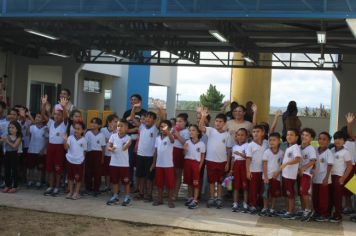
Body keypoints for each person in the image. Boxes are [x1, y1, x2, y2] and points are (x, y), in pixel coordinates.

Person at [198, 107, 233, 209]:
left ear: (225, 123)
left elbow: (229, 151)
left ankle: (219, 198)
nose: (218, 123)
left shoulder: (227, 135)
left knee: (221, 181)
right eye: (216, 121)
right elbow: (200, 127)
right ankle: (212, 198)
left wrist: (227, 163)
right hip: (210, 161)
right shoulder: (211, 130)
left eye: (220, 121)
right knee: (211, 181)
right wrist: (203, 116)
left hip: (222, 162)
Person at [135, 104, 164, 202]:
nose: (148, 119)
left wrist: (159, 108)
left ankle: (149, 194)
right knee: (141, 176)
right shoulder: (141, 127)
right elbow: (131, 117)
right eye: (147, 117)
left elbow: (162, 117)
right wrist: (134, 109)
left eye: (151, 117)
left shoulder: (155, 128)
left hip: (150, 157)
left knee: (149, 177)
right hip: (140, 155)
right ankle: (141, 193)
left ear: (154, 121)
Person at [42, 95, 68, 197]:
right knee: (50, 168)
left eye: (59, 115)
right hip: (51, 147)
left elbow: (66, 116)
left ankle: (57, 187)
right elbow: (43, 114)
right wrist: (43, 104)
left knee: (58, 168)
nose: (56, 116)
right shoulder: (51, 122)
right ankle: (51, 186)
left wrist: (64, 106)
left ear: (62, 116)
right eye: (55, 114)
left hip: (59, 148)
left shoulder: (64, 124)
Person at [123, 94, 147, 187]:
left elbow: (145, 127)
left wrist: (135, 129)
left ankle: (140, 185)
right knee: (129, 161)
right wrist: (130, 130)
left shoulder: (145, 113)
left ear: (140, 101)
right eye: (132, 99)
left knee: (140, 162)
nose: (133, 101)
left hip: (141, 140)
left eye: (135, 99)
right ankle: (129, 181)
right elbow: (123, 125)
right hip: (129, 139)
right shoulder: (127, 112)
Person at [151, 120, 176, 208]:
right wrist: (154, 163)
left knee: (170, 184)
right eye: (161, 126)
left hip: (168, 165)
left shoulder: (170, 136)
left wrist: (168, 132)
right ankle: (160, 199)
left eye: (165, 126)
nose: (163, 128)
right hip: (159, 164)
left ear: (169, 128)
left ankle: (170, 201)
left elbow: (172, 140)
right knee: (159, 183)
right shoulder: (157, 138)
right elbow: (156, 151)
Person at [106, 119, 132, 206]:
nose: (119, 128)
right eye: (118, 126)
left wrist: (126, 143)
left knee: (126, 181)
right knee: (115, 181)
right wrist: (111, 149)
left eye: (121, 126)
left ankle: (127, 197)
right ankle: (115, 196)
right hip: (114, 163)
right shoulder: (113, 136)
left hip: (124, 164)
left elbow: (124, 148)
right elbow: (109, 147)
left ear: (126, 128)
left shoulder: (128, 138)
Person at [330, 131, 353, 223]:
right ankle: (330, 213)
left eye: (340, 139)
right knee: (331, 196)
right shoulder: (331, 150)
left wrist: (343, 178)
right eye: (336, 139)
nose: (337, 141)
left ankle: (338, 215)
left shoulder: (345, 152)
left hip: (339, 177)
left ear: (344, 141)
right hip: (330, 176)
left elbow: (350, 166)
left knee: (338, 197)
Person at [246, 125, 268, 214]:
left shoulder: (266, 143)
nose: (255, 133)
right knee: (253, 189)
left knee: (262, 189)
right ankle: (253, 205)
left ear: (263, 133)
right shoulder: (250, 145)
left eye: (258, 131)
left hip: (264, 171)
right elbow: (248, 159)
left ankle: (261, 205)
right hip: (253, 171)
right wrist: (248, 171)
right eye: (254, 132)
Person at [280, 129, 302, 220]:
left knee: (290, 194)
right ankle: (287, 210)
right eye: (288, 134)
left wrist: (286, 164)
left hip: (290, 176)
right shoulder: (289, 147)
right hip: (285, 175)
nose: (289, 136)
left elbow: (298, 159)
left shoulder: (295, 147)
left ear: (296, 137)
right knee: (286, 194)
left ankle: (291, 211)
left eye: (291, 135)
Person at [261, 132, 284, 216]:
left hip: (276, 178)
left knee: (274, 194)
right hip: (267, 177)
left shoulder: (281, 153)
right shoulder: (266, 152)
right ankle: (265, 207)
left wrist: (278, 173)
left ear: (279, 141)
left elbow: (282, 165)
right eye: (270, 140)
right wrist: (266, 177)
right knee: (266, 193)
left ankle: (272, 208)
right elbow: (264, 164)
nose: (271, 142)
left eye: (274, 140)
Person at [183, 124, 206, 209]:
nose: (191, 132)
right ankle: (190, 197)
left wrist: (200, 166)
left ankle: (195, 200)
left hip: (196, 163)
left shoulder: (202, 144)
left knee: (196, 183)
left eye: (193, 130)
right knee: (189, 182)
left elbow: (202, 156)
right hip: (187, 162)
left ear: (198, 132)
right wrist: (185, 150)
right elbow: (184, 154)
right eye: (190, 130)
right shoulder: (187, 142)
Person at [313, 132, 334, 222]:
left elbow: (330, 165)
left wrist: (326, 178)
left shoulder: (328, 152)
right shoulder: (315, 150)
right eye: (320, 138)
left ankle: (324, 214)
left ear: (328, 141)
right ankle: (317, 212)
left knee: (323, 198)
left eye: (324, 139)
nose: (321, 141)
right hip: (315, 178)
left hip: (324, 179)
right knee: (315, 197)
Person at [63, 122, 87, 200]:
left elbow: (84, 152)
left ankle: (76, 193)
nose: (76, 130)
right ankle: (70, 191)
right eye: (75, 128)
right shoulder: (70, 138)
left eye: (78, 129)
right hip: (70, 160)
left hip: (79, 162)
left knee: (78, 178)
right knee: (70, 177)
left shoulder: (84, 140)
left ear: (83, 130)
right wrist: (65, 140)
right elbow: (66, 148)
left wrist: (82, 160)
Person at [298, 128, 317, 222]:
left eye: (307, 135)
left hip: (306, 174)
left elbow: (313, 160)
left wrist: (303, 168)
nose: (304, 136)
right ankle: (303, 210)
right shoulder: (297, 147)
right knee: (301, 193)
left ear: (311, 138)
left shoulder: (311, 148)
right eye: (303, 134)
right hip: (298, 174)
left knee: (304, 192)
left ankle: (308, 210)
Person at [84, 118, 106, 197]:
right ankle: (88, 188)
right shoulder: (88, 133)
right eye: (92, 122)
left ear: (99, 125)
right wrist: (84, 155)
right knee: (88, 171)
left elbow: (103, 147)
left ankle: (96, 189)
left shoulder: (102, 135)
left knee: (97, 172)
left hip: (98, 154)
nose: (93, 124)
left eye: (95, 123)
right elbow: (85, 145)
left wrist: (102, 158)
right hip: (89, 154)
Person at [26, 113, 48, 188]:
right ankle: (30, 180)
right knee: (31, 167)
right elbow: (27, 134)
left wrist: (43, 149)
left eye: (39, 117)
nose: (37, 118)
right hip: (31, 150)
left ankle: (38, 181)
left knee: (40, 168)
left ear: (43, 119)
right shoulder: (32, 127)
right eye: (36, 117)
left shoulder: (46, 128)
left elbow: (47, 139)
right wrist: (31, 123)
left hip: (40, 151)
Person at [230, 128, 249, 212]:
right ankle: (235, 203)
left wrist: (240, 154)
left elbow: (248, 157)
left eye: (242, 135)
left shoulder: (248, 145)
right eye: (238, 135)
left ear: (246, 136)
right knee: (235, 186)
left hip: (244, 166)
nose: (240, 137)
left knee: (245, 186)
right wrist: (231, 169)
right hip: (236, 167)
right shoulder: (234, 147)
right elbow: (233, 159)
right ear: (236, 136)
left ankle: (245, 203)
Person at [172, 113, 190, 199]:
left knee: (178, 174)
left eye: (180, 121)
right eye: (177, 121)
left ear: (185, 122)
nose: (178, 123)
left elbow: (186, 143)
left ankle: (175, 194)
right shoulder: (173, 129)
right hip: (172, 152)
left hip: (179, 153)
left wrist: (177, 135)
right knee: (171, 173)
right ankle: (170, 192)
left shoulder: (186, 131)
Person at [1, 121, 22, 193]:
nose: (10, 129)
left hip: (14, 154)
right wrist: (3, 140)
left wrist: (7, 141)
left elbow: (14, 146)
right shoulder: (6, 135)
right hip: (7, 154)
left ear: (17, 129)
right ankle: (7, 185)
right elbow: (2, 140)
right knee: (7, 170)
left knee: (14, 170)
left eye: (13, 127)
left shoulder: (18, 137)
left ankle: (15, 186)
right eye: (9, 127)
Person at [100, 114, 119, 192]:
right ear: (109, 122)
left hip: (114, 155)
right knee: (107, 172)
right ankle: (107, 186)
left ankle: (114, 187)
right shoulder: (103, 130)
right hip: (106, 154)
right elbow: (101, 141)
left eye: (117, 121)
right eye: (115, 121)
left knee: (114, 172)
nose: (117, 123)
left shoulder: (118, 131)